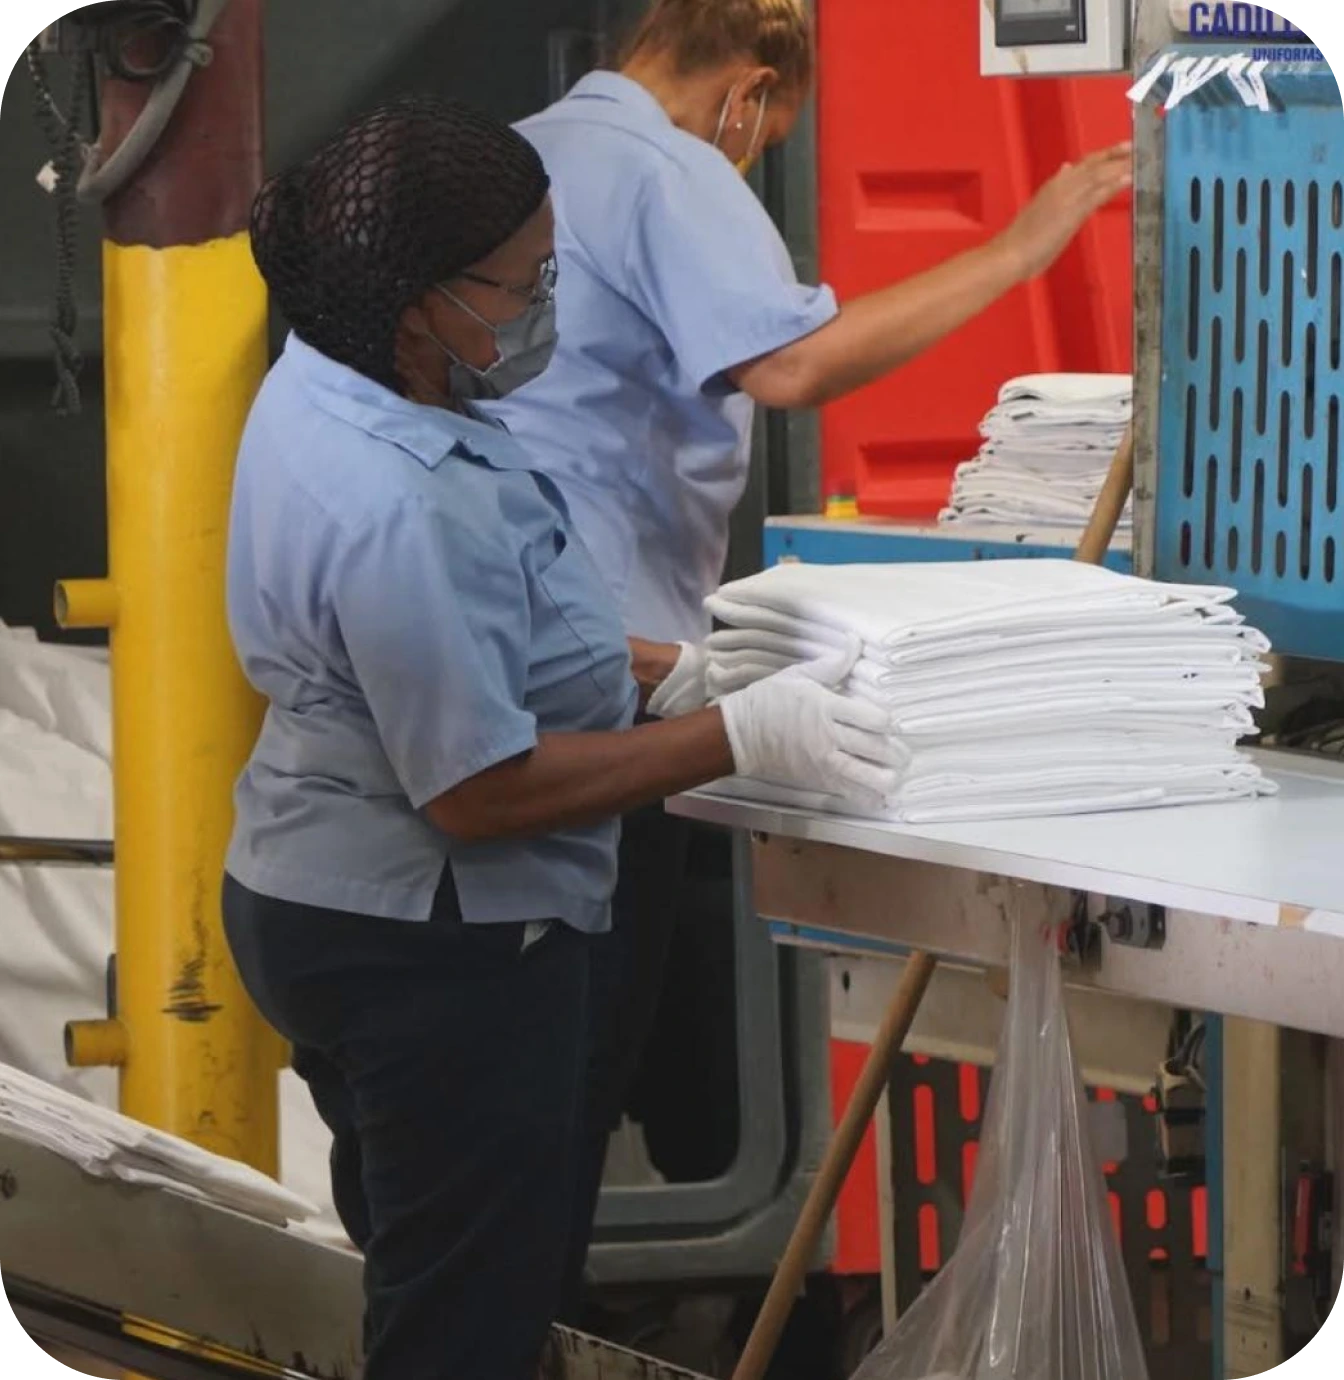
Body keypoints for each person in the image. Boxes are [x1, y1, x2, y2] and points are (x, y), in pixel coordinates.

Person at [220, 95, 902, 1380]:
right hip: (432, 950)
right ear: (422, 296)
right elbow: (478, 790)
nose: (550, 305)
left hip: (310, 892)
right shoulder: (400, 501)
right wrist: (737, 733)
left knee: (429, 1263)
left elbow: (497, 640)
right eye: (529, 281)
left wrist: (672, 671)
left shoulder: (336, 375)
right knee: (468, 1322)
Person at [485, 0, 1134, 1322]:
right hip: (600, 684)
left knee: (503, 1126)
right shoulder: (670, 165)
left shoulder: (527, 148)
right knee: (560, 1097)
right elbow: (795, 365)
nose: (754, 156)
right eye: (768, 128)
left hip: (499, 657)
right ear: (749, 88)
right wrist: (1020, 249)